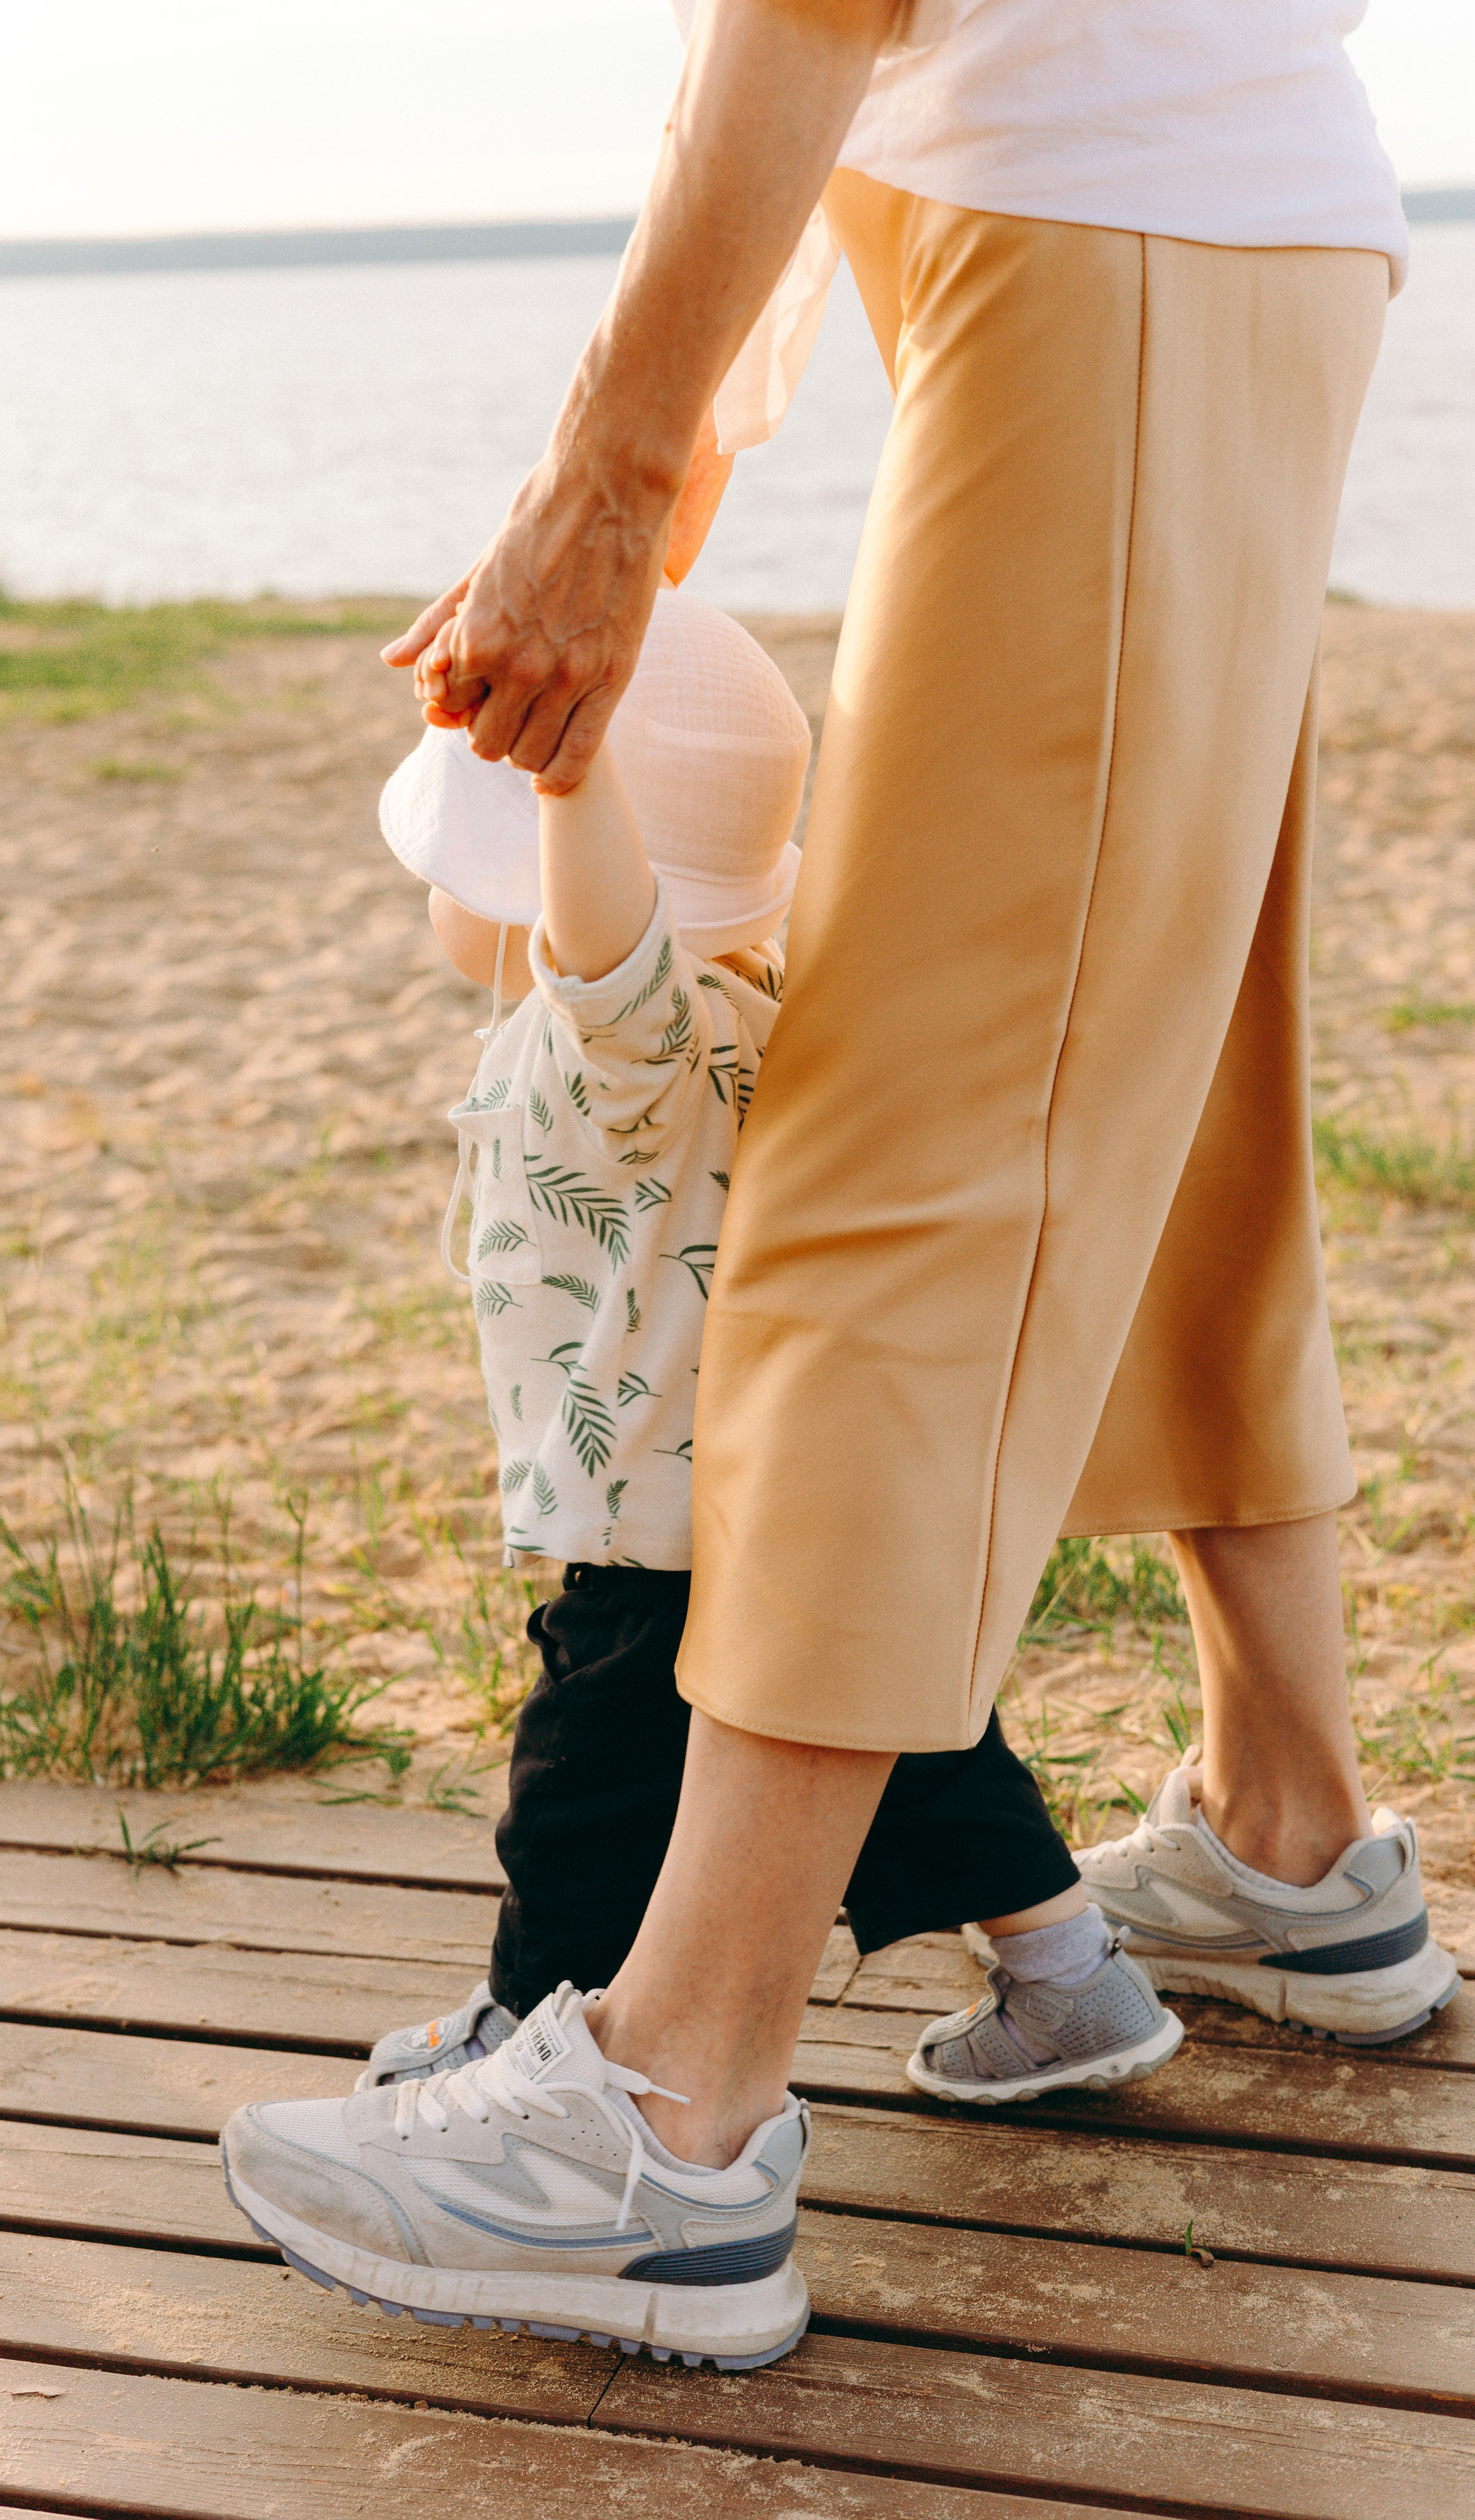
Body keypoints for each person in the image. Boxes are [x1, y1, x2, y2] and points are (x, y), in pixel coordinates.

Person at [227, 0, 1458, 2370]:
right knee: (1177, 1066)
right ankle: (1293, 1829)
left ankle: (669, 2117)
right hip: (1237, 205)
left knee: (906, 1164)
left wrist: (608, 469)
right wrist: (670, 430)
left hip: (1109, 216)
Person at [219, 583, 1182, 2374]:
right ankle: (1072, 1980)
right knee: (903, 1742)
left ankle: (534, 2047)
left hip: (650, 1516)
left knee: (583, 1789)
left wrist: (572, 783)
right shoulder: (760, 990)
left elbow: (600, 937)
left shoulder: (629, 1042)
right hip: (780, 1492)